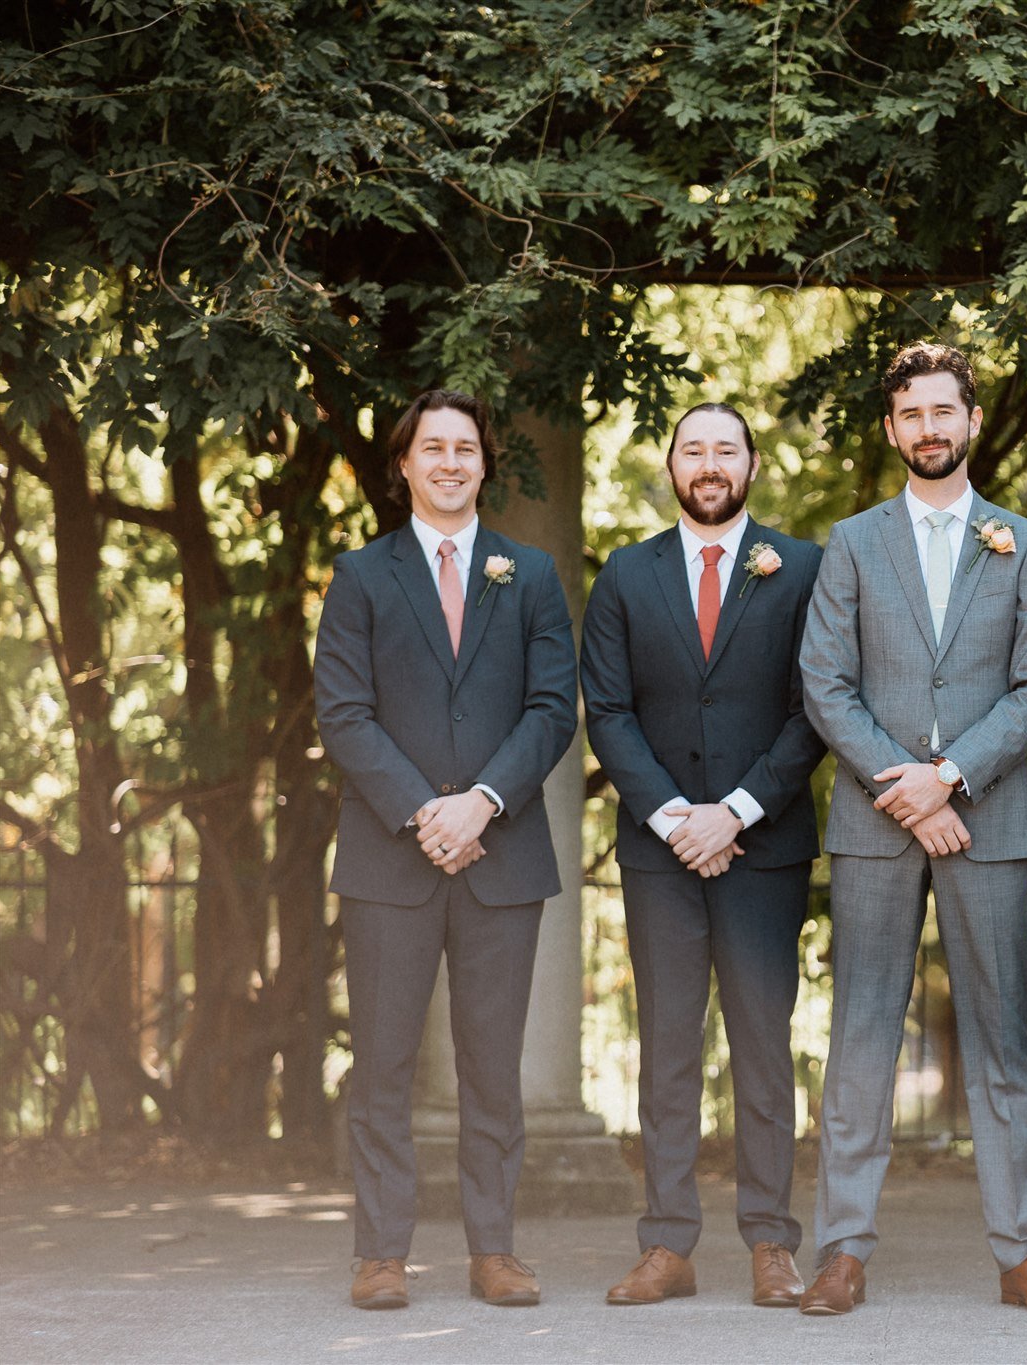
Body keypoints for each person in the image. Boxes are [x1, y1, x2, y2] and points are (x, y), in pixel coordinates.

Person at [797, 342, 1027, 1316]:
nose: (927, 428)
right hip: (875, 824)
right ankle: (839, 1250)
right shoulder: (851, 542)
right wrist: (904, 786)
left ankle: (1022, 1253)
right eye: (910, 414)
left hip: (988, 819)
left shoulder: (1023, 542)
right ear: (892, 429)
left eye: (942, 412)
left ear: (968, 420)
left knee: (1002, 1042)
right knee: (862, 1036)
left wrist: (948, 780)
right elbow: (823, 682)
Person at [314, 389, 577, 1310]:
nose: (452, 461)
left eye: (467, 447)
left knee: (491, 1064)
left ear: (484, 464)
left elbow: (552, 709)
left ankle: (494, 1249)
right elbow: (343, 713)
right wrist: (428, 813)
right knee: (382, 1061)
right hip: (392, 858)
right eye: (435, 447)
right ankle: (382, 1253)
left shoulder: (530, 573)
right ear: (405, 464)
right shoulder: (360, 576)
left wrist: (483, 804)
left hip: (500, 857)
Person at [581, 402, 826, 1309]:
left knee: (764, 1047)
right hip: (661, 853)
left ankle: (771, 1239)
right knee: (667, 1051)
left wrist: (738, 812)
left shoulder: (801, 568)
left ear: (753, 463)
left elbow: (816, 707)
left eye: (727, 448)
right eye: (695, 449)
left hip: (764, 849)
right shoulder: (625, 575)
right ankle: (667, 1244)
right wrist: (679, 817)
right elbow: (607, 710)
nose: (710, 463)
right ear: (673, 465)